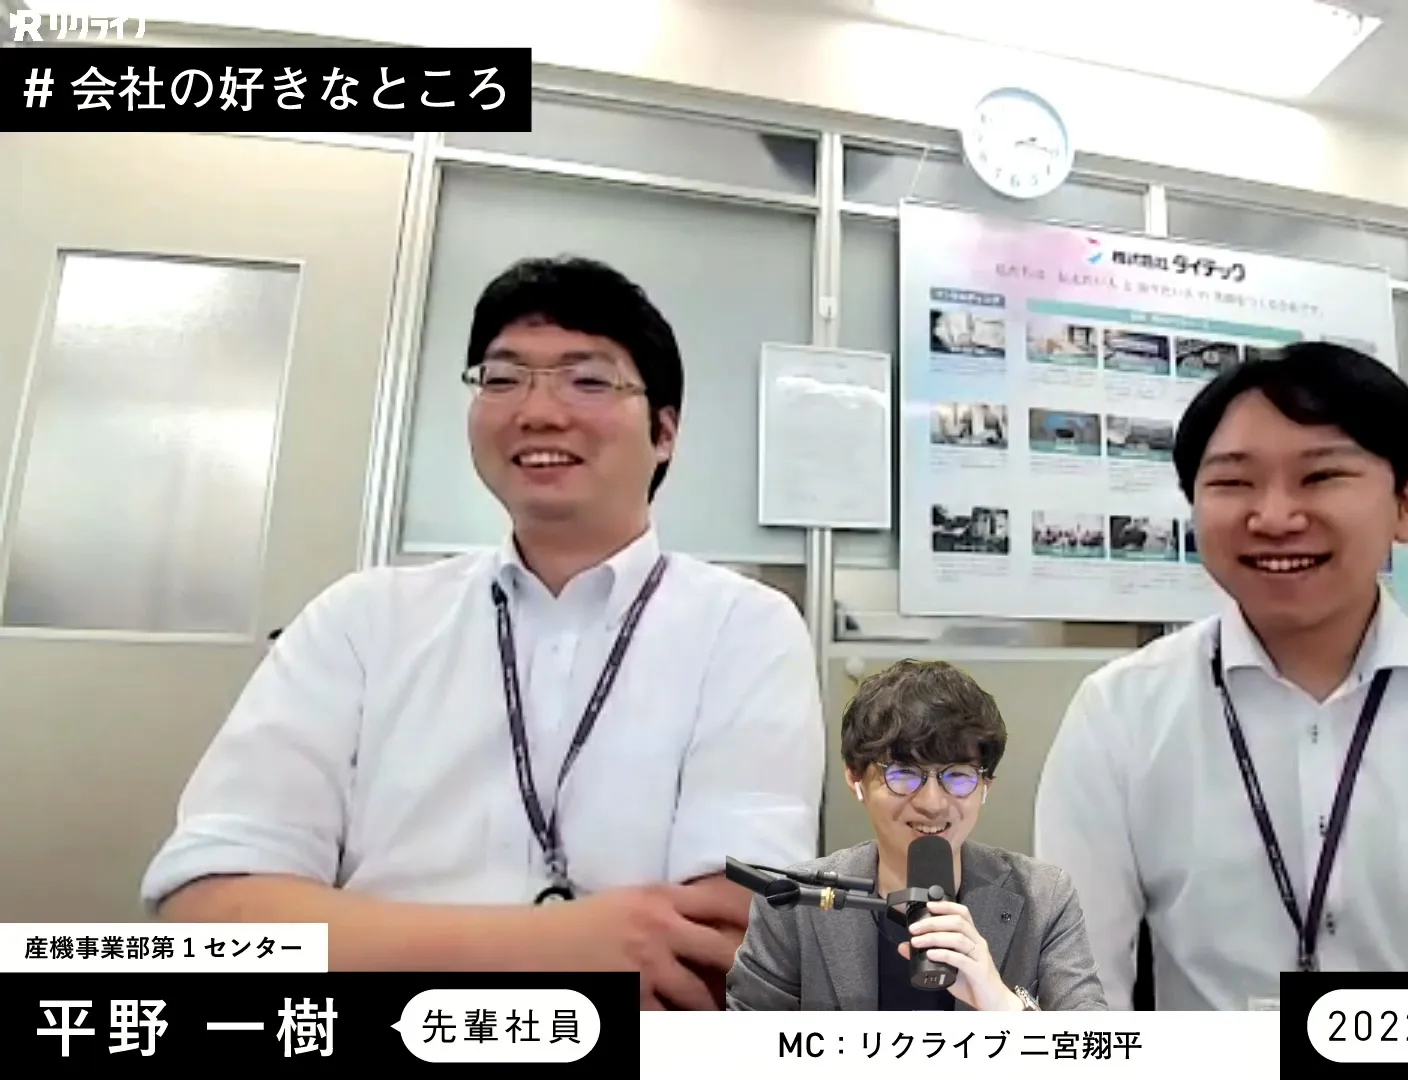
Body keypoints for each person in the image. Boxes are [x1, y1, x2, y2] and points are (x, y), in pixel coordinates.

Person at [141, 256, 825, 1009]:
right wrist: (565, 946)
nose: (538, 412)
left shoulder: (744, 627)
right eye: (502, 379)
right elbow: (213, 913)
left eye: (587, 380)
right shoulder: (361, 621)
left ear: (664, 431)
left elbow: (726, 944)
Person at [1034, 342, 1408, 1009]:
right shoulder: (1118, 715)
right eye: (1232, 483)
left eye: (1321, 476)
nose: (1274, 517)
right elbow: (1071, 995)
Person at [727, 660, 1106, 1012]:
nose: (932, 803)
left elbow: (1093, 1047)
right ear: (856, 779)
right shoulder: (794, 906)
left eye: (957, 776)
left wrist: (1004, 1006)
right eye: (904, 774)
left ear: (985, 786)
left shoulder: (1044, 899)